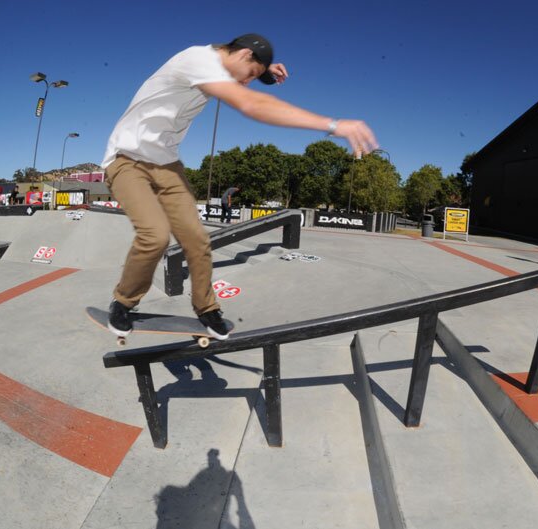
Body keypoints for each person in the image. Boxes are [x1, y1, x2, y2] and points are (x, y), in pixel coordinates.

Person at [101, 34, 377, 341]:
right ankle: (123, 302)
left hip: (167, 165)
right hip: (127, 160)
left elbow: (240, 69)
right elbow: (251, 104)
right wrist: (334, 125)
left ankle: (207, 308)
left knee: (196, 239)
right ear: (244, 55)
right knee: (155, 236)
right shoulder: (198, 59)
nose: (246, 83)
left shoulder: (225, 62)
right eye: (250, 75)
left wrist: (265, 70)